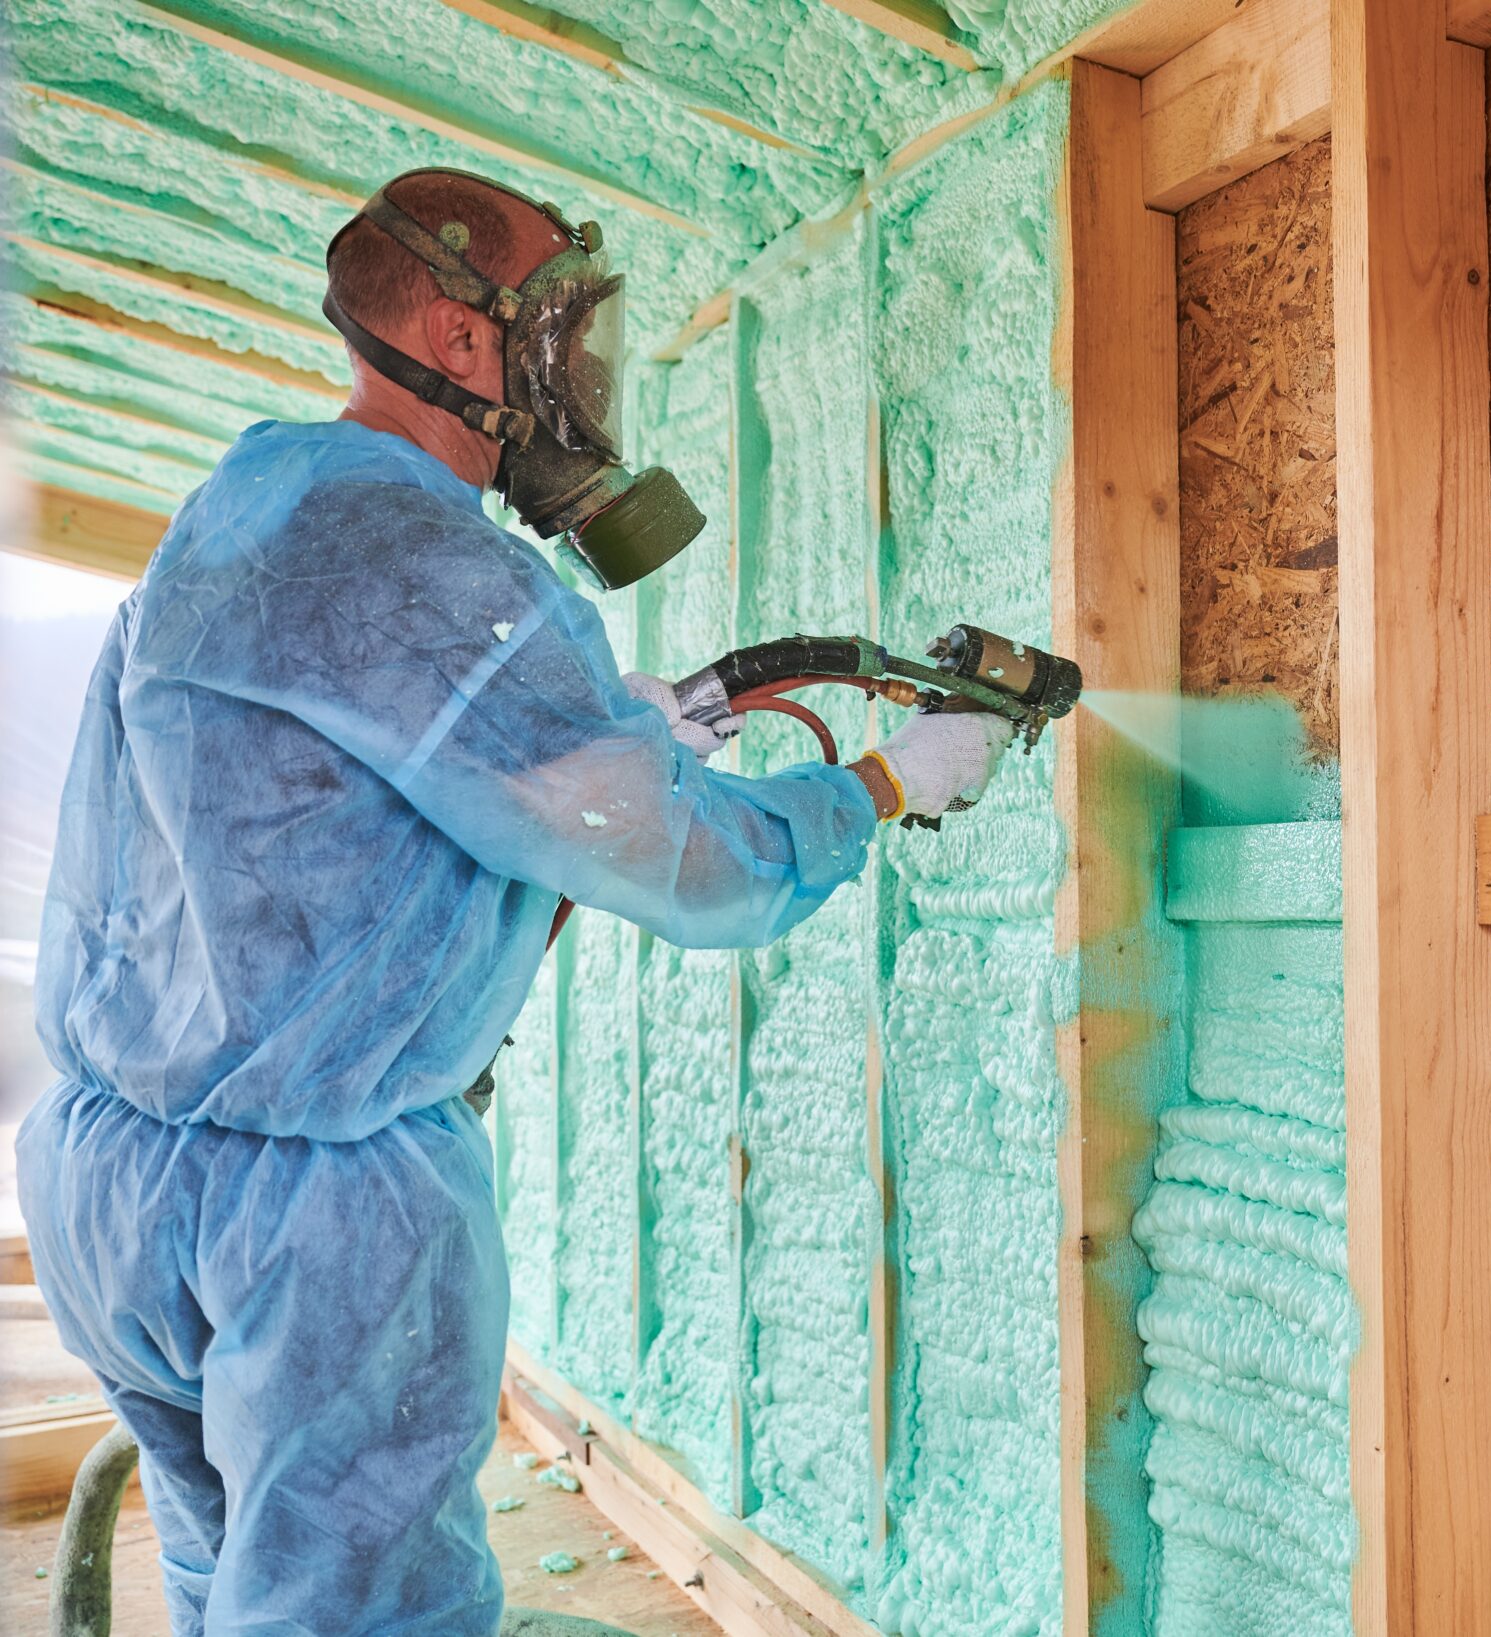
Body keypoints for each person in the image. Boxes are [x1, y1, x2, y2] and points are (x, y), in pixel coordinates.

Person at [16, 169, 1010, 1637]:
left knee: (235, 1581)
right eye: (561, 331)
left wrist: (614, 735)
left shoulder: (244, 505)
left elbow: (333, 795)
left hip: (109, 1182)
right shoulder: (436, 559)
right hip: (308, 1225)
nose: (583, 375)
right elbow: (694, 868)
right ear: (467, 342)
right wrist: (886, 784)